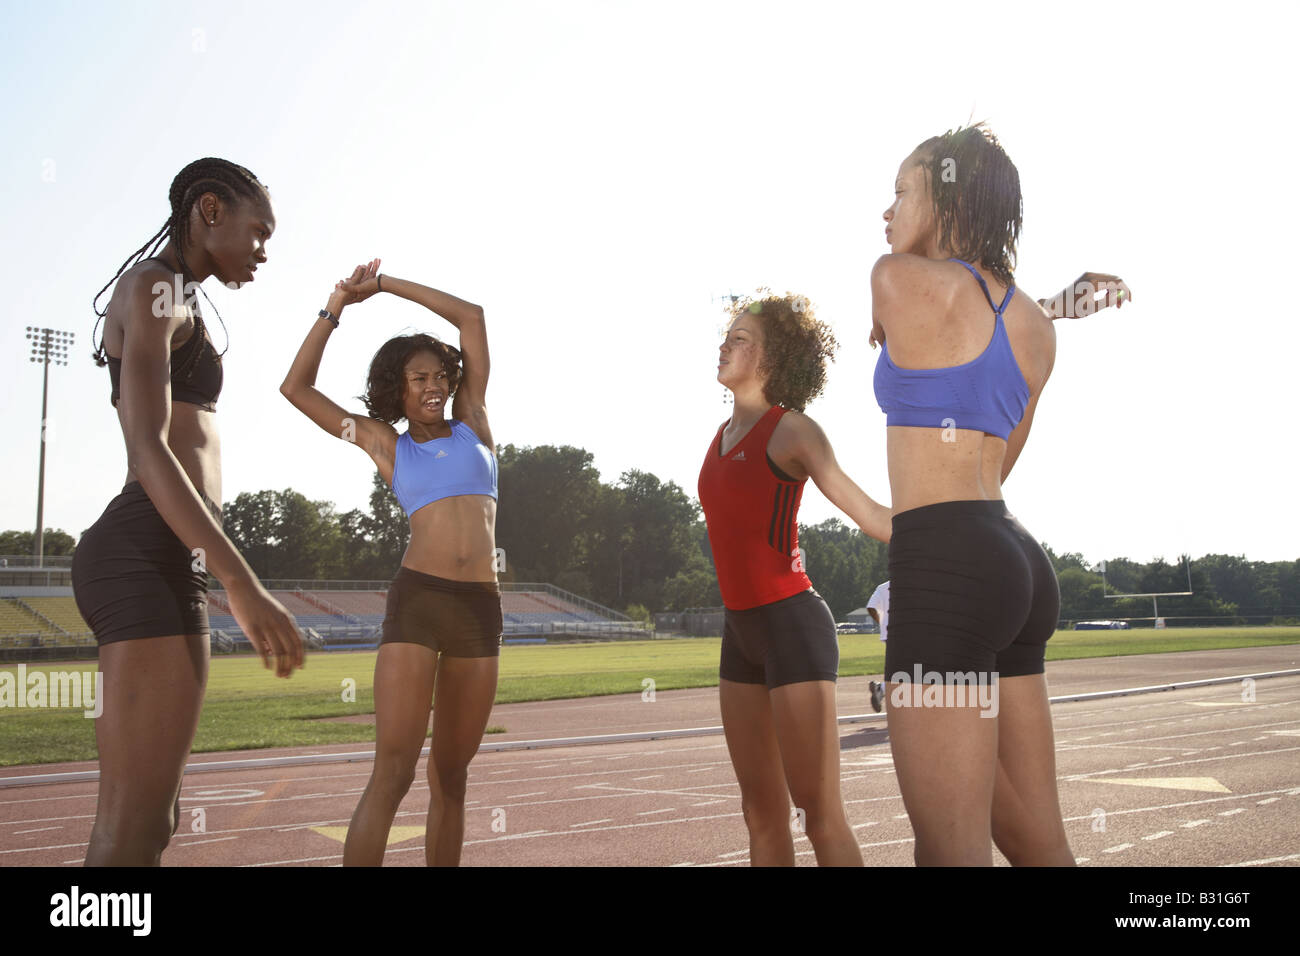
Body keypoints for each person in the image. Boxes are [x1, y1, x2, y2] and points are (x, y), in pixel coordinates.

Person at [871, 123, 1130, 865]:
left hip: (945, 565)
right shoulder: (1034, 327)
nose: (885, 215)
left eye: (900, 192)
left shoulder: (892, 279)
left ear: (944, 198)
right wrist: (1056, 301)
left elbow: (906, 301)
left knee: (948, 849)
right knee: (1038, 840)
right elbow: (1001, 457)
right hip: (1011, 558)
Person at [74, 158, 304, 866]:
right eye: (258, 232)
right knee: (132, 825)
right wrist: (241, 580)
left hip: (170, 554)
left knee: (154, 819)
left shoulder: (178, 297)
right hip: (145, 547)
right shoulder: (153, 288)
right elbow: (148, 450)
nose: (264, 251)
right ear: (210, 210)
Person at [280, 260, 499, 867]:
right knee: (394, 772)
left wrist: (384, 285)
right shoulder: (385, 442)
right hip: (420, 602)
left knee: (451, 776)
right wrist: (336, 309)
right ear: (397, 391)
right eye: (417, 378)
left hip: (481, 610)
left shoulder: (474, 423)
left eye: (438, 375)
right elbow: (295, 390)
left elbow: (472, 317)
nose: (431, 386)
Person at [698, 291, 893, 866]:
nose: (725, 345)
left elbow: (872, 517)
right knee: (759, 811)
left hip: (793, 625)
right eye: (726, 336)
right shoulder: (719, 434)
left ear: (772, 358)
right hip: (741, 633)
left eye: (740, 339)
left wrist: (947, 524)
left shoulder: (794, 432)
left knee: (817, 812)